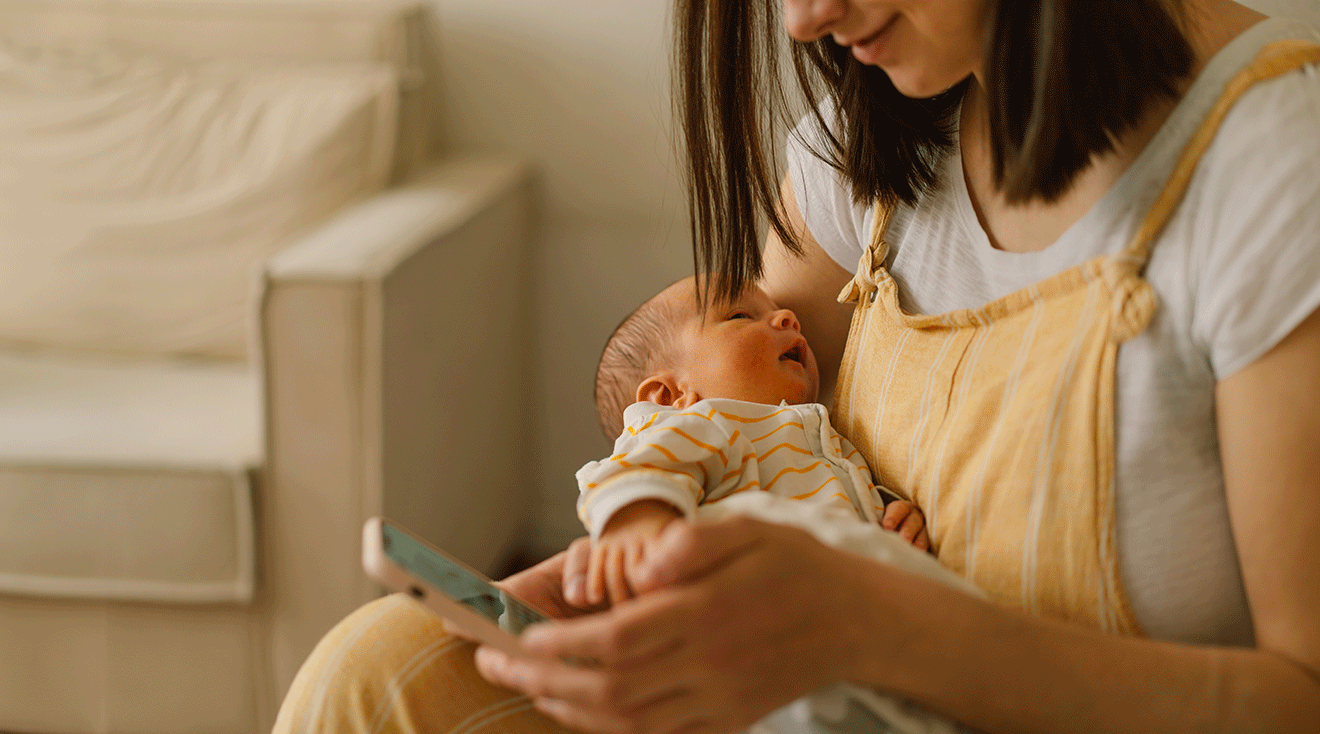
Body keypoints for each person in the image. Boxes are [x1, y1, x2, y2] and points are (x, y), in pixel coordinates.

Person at [272, 1, 1320, 733]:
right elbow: (727, 427)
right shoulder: (860, 151)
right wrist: (620, 586)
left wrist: (891, 625)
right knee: (383, 665)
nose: (801, 19)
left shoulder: (1273, 172)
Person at [579, 274, 930, 607]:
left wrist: (891, 512)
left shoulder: (830, 437)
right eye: (740, 315)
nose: (788, 317)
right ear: (669, 396)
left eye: (777, 311)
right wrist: (636, 521)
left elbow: (844, 496)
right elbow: (637, 470)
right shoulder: (703, 424)